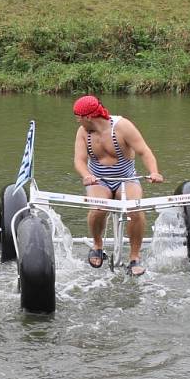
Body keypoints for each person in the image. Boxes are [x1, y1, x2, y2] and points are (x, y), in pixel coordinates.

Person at [72, 95, 164, 276]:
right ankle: (97, 246)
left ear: (89, 117)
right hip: (99, 180)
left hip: (126, 179)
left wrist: (154, 171)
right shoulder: (83, 132)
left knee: (134, 209)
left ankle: (134, 257)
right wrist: (86, 175)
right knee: (99, 208)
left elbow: (144, 151)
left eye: (78, 116)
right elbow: (79, 160)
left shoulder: (122, 127)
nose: (77, 120)